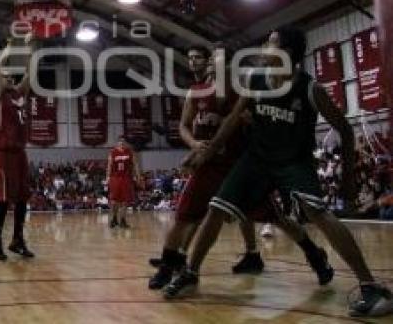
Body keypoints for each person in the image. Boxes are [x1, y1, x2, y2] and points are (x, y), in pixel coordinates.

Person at [164, 28, 393, 317]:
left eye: (270, 43)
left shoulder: (310, 89)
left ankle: (371, 285)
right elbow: (232, 122)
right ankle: (190, 272)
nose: (262, 47)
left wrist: (347, 184)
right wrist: (204, 154)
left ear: (285, 53)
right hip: (256, 160)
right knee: (216, 208)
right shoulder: (255, 81)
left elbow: (346, 132)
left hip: (293, 162)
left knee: (317, 212)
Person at [149, 46, 331, 289]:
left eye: (218, 59)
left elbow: (256, 122)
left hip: (239, 165)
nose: (212, 63)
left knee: (275, 218)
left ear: (229, 66)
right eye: (211, 59)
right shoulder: (197, 91)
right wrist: (195, 146)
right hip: (209, 165)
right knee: (184, 216)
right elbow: (183, 126)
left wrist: (250, 124)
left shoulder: (244, 90)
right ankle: (168, 268)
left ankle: (313, 254)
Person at [0, 34, 35, 261]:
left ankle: (17, 239)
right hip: (2, 154)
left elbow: (29, 73)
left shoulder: (19, 95)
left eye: (9, 75)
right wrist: (7, 49)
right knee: (2, 199)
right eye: (5, 75)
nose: (8, 76)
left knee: (23, 198)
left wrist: (28, 48)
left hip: (19, 153)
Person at [107, 136, 139, 228]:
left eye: (123, 142)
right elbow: (109, 165)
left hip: (126, 178)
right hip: (115, 178)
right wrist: (107, 177)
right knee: (114, 201)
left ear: (126, 143)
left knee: (125, 201)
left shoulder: (129, 152)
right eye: (120, 142)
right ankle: (114, 219)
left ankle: (123, 220)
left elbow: (135, 164)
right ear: (117, 143)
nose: (122, 143)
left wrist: (138, 176)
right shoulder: (113, 152)